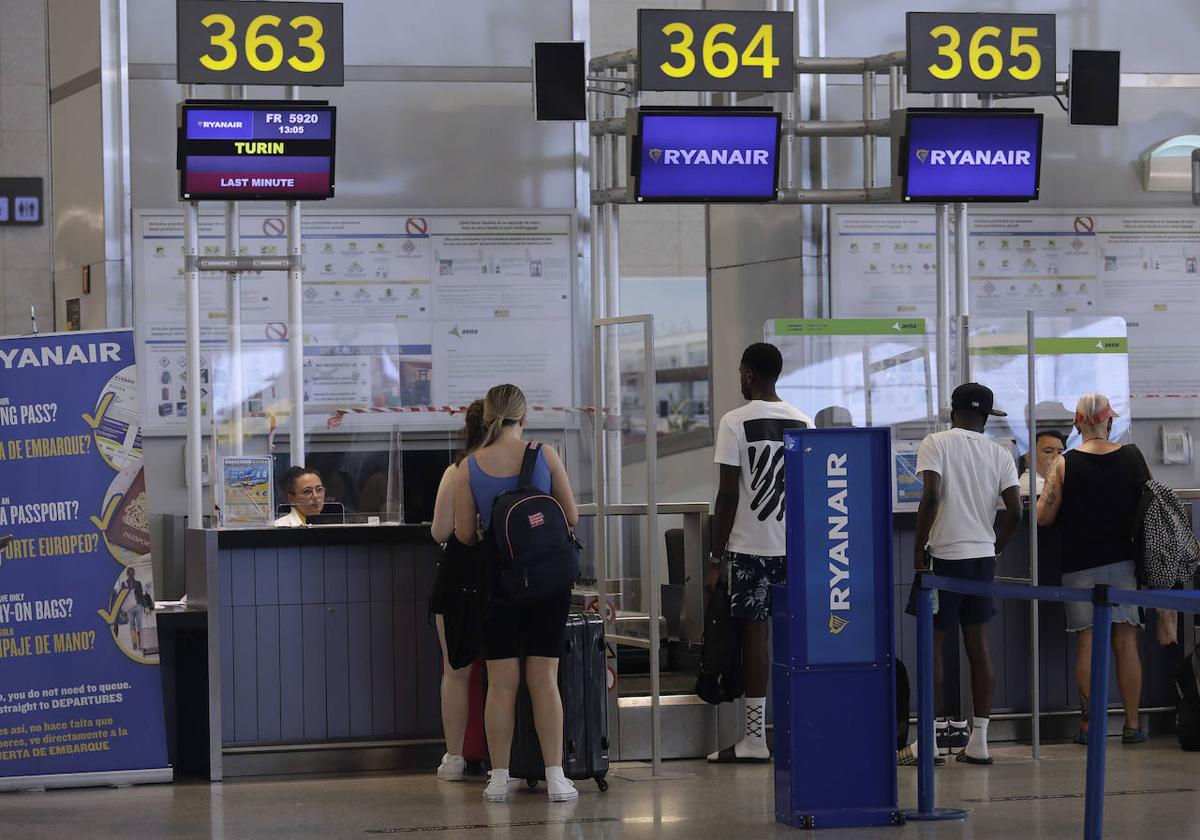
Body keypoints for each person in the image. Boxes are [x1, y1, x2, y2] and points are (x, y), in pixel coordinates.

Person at [453, 384, 580, 802]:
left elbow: (465, 535)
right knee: (544, 680)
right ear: (524, 417)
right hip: (548, 581)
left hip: (499, 582)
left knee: (501, 683)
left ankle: (499, 778)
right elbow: (571, 515)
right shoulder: (544, 454)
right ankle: (557, 777)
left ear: (487, 417)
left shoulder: (469, 466)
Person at [705, 342, 813, 763]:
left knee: (755, 638)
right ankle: (795, 730)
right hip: (792, 548)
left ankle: (753, 739)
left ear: (748, 373)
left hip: (748, 547)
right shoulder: (804, 421)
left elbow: (728, 494)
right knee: (793, 639)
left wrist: (715, 557)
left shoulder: (734, 421)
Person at [910, 382, 1021, 765]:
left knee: (934, 646)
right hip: (981, 559)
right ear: (987, 417)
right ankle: (980, 741)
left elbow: (932, 495)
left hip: (943, 557)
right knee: (979, 649)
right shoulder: (1001, 453)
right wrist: (993, 548)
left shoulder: (935, 443)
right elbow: (1016, 512)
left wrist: (918, 548)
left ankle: (929, 740)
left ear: (952, 411)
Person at [1036, 393, 1149, 745]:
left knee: (1087, 644)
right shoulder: (1132, 457)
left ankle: (1090, 726)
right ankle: (1132, 725)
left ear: (1077, 424)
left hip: (1079, 565)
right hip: (1125, 563)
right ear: (1110, 422)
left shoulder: (1064, 464)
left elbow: (1043, 517)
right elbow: (1150, 503)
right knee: (1126, 643)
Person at [428, 399, 486, 782]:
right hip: (506, 578)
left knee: (455, 671)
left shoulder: (457, 470)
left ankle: (454, 757)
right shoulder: (522, 466)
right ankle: (507, 758)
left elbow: (439, 532)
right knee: (505, 673)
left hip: (458, 578)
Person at [1018, 429, 1067, 497]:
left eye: (1060, 452)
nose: (1057, 457)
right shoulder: (1033, 486)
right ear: (1029, 457)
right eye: (1048, 451)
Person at [118, 566, 146, 652]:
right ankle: (140, 644)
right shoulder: (138, 583)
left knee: (132, 626)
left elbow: (122, 598)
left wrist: (121, 609)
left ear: (127, 574)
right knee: (139, 626)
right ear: (134, 574)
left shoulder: (124, 584)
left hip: (129, 608)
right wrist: (146, 606)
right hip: (138, 606)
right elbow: (141, 596)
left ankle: (134, 643)